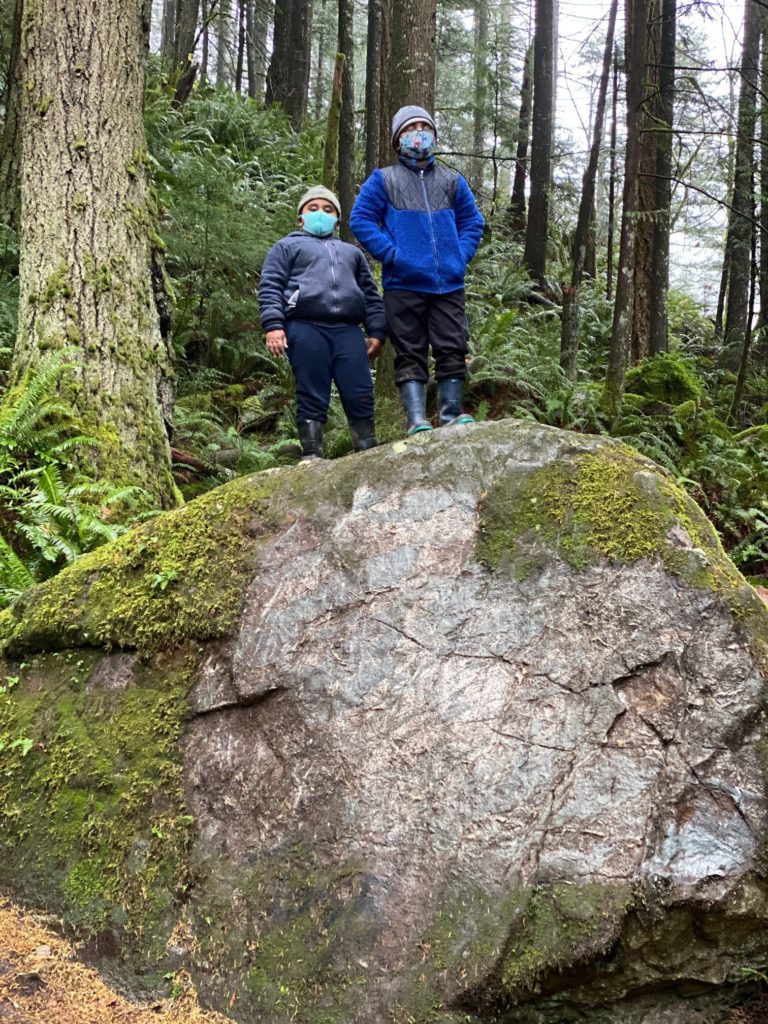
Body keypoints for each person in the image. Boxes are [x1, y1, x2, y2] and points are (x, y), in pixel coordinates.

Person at [349, 105, 485, 435]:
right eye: (411, 128)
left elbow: (473, 222)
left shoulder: (453, 181)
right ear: (398, 141)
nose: (419, 133)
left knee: (452, 346)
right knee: (409, 352)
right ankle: (416, 420)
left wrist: (459, 256)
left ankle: (451, 415)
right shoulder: (384, 179)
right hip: (403, 284)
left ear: (434, 136)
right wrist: (392, 254)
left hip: (447, 284)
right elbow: (361, 219)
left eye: (425, 127)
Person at [258, 185, 386, 459]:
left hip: (348, 330)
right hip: (304, 326)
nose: (320, 214)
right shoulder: (286, 247)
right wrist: (273, 326)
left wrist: (376, 329)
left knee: (359, 389)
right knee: (311, 389)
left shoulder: (351, 253)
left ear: (337, 220)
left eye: (328, 210)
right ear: (300, 217)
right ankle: (312, 454)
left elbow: (370, 294)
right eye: (313, 208)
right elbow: (270, 286)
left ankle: (367, 451)